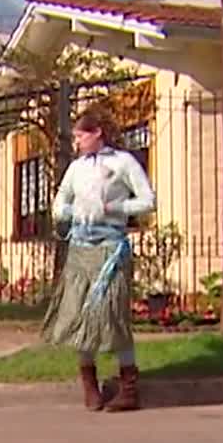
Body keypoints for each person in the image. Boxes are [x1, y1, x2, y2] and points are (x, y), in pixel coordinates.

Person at [41, 105, 156, 412]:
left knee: (113, 314)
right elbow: (59, 204)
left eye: (81, 136)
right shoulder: (76, 168)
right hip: (80, 248)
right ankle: (89, 384)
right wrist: (73, 211)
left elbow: (147, 201)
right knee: (82, 315)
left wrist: (113, 208)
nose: (77, 142)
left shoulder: (123, 162)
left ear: (97, 133)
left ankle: (129, 388)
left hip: (110, 248)